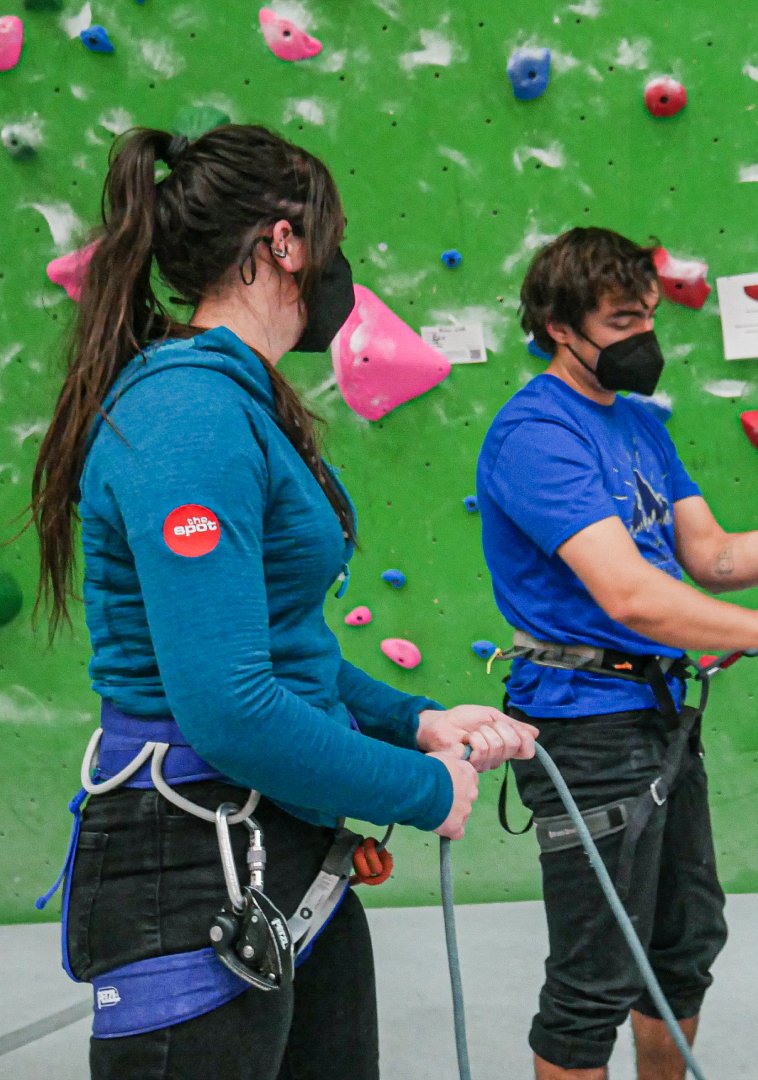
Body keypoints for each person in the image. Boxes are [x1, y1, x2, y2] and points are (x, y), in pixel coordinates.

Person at [28, 124, 537, 1080]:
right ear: (283, 243)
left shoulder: (237, 402)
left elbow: (278, 648)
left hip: (282, 846)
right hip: (191, 858)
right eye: (330, 238)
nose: (342, 265)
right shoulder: (186, 416)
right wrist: (423, 792)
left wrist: (414, 721)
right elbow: (228, 705)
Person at [476, 226, 758, 1080]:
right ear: (561, 327)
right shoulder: (535, 434)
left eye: (648, 316)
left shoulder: (638, 424)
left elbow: (710, 559)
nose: (644, 338)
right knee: (595, 975)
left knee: (682, 945)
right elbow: (630, 595)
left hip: (658, 718)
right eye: (621, 320)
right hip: (585, 728)